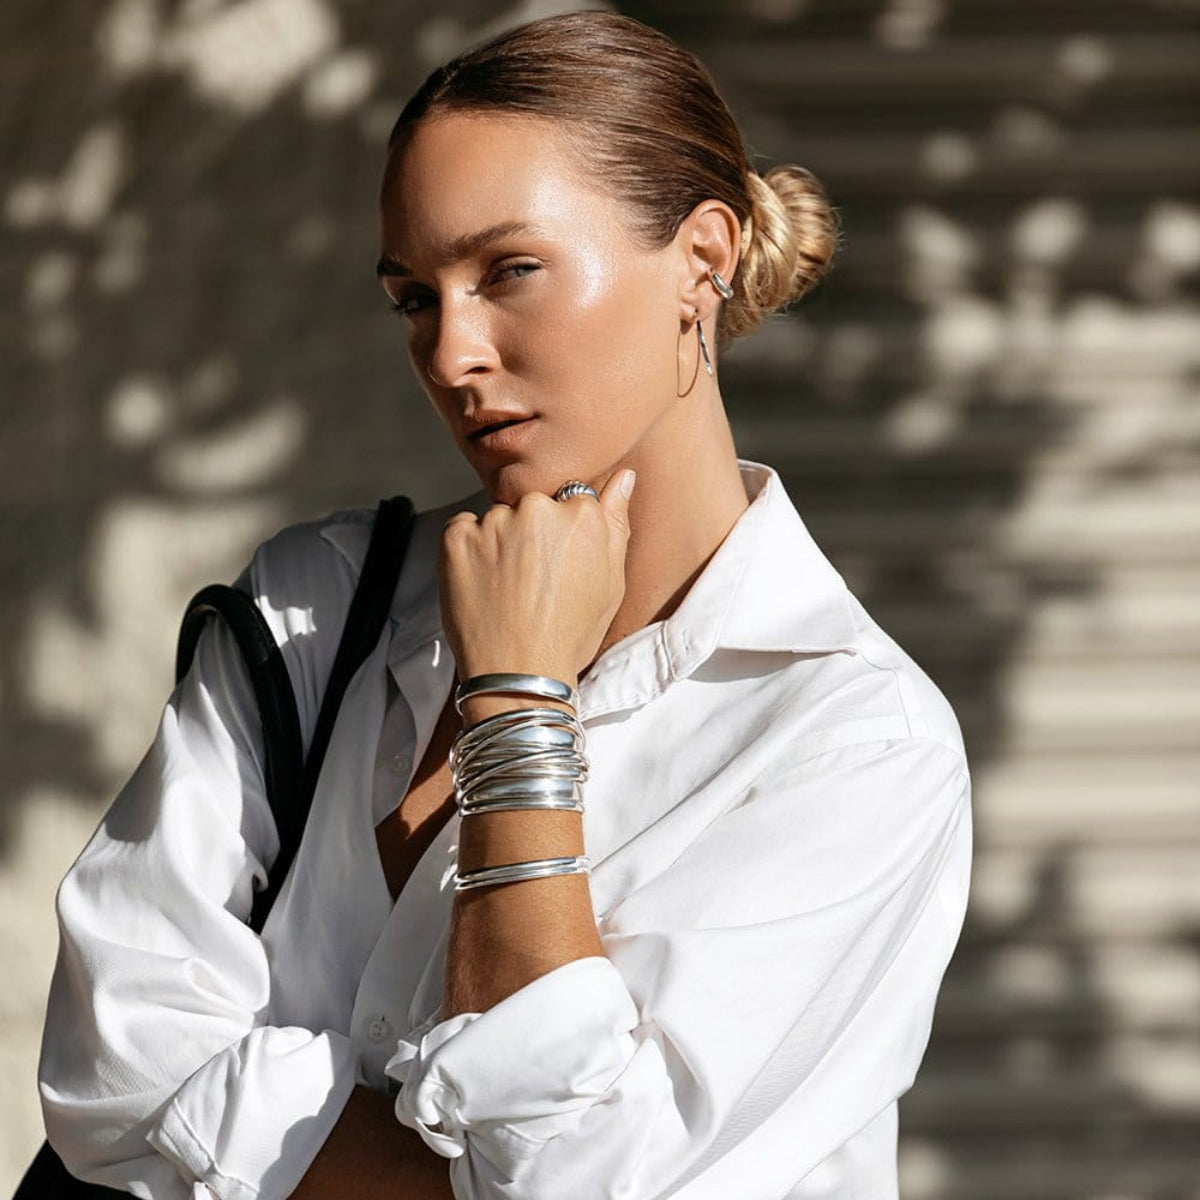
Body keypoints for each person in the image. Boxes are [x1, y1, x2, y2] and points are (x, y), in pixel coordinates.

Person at [38, 11, 973, 1199]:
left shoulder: (848, 739)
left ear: (702, 259)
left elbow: (574, 1179)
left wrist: (517, 699)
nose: (451, 352)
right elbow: (106, 1069)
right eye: (414, 298)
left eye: (508, 271)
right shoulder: (318, 608)